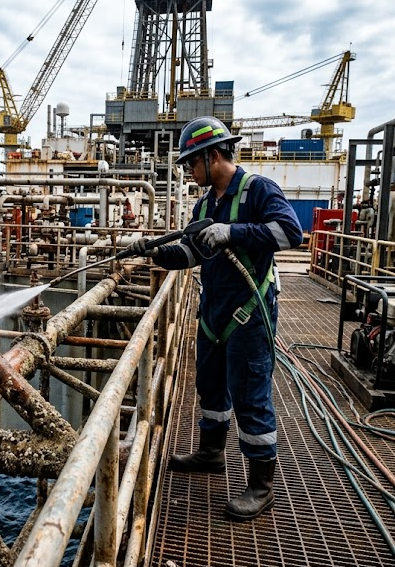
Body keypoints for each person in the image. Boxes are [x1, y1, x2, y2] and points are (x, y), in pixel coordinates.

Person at [128, 116, 303, 521]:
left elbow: (291, 233)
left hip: (248, 313)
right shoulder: (205, 204)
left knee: (250, 395)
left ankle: (262, 487)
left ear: (213, 155)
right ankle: (211, 453)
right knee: (210, 385)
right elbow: (191, 253)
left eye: (192, 162)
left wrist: (234, 233)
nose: (190, 171)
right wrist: (152, 251)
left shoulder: (257, 190)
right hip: (213, 311)